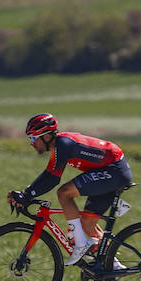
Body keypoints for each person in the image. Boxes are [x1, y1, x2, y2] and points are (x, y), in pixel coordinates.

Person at [7, 113, 133, 266]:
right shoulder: (58, 147)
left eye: (33, 138)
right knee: (87, 223)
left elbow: (53, 179)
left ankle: (80, 244)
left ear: (46, 137)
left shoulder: (63, 144)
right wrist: (26, 193)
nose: (32, 143)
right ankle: (113, 267)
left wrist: (28, 195)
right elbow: (48, 174)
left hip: (114, 170)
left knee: (64, 193)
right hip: (110, 171)